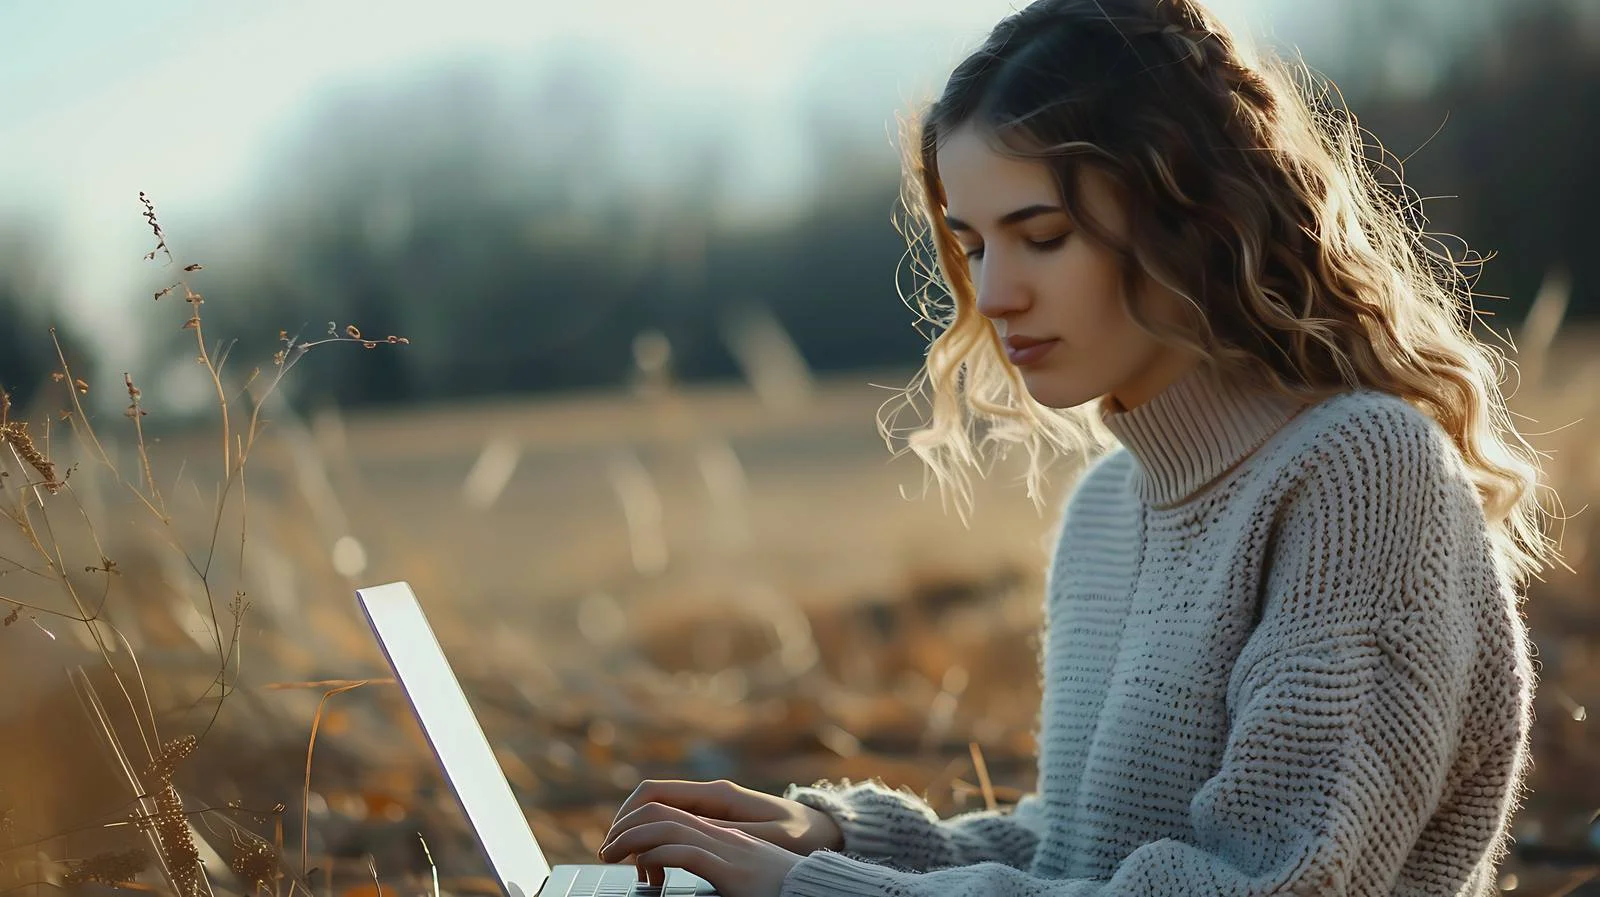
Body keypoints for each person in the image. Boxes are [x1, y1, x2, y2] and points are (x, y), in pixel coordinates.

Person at [596, 0, 1563, 894]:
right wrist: (833, 837)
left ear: (1190, 214)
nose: (994, 295)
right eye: (975, 246)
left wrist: (812, 891)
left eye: (1044, 235)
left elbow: (1273, 883)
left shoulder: (1360, 471)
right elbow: (1079, 857)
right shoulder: (1107, 509)